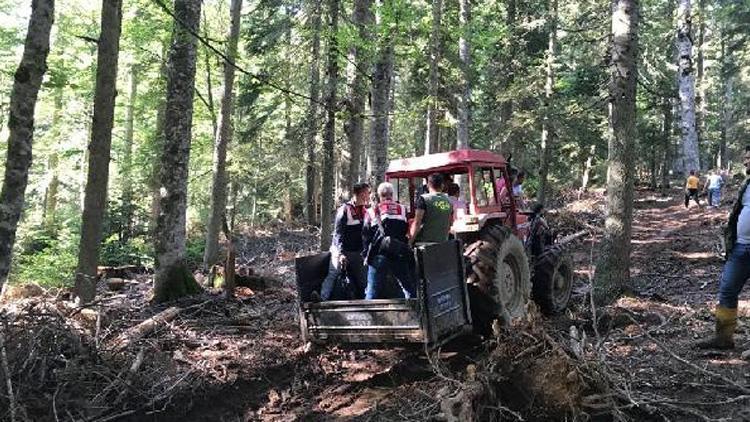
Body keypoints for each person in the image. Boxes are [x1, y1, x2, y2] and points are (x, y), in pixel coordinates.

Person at [696, 147, 750, 353]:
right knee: (727, 290)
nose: (745, 162)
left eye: (748, 159)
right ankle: (723, 338)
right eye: (745, 158)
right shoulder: (747, 185)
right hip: (740, 248)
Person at [318, 182, 370, 300]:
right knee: (333, 273)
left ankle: (365, 303)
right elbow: (338, 233)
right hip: (341, 250)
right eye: (367, 193)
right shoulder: (344, 210)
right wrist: (341, 253)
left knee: (363, 279)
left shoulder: (365, 211)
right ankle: (322, 299)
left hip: (358, 252)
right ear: (361, 194)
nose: (369, 196)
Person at [362, 182, 415, 299]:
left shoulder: (372, 211)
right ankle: (415, 313)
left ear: (379, 195)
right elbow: (407, 229)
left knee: (372, 291)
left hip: (378, 254)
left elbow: (366, 235)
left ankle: (370, 316)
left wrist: (365, 255)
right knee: (408, 289)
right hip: (398, 253)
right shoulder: (402, 209)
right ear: (392, 194)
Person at [409, 173, 454, 246]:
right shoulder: (449, 201)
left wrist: (409, 242)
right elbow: (450, 223)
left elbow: (417, 223)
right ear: (442, 186)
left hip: (423, 243)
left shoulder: (424, 199)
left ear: (428, 185)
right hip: (442, 243)